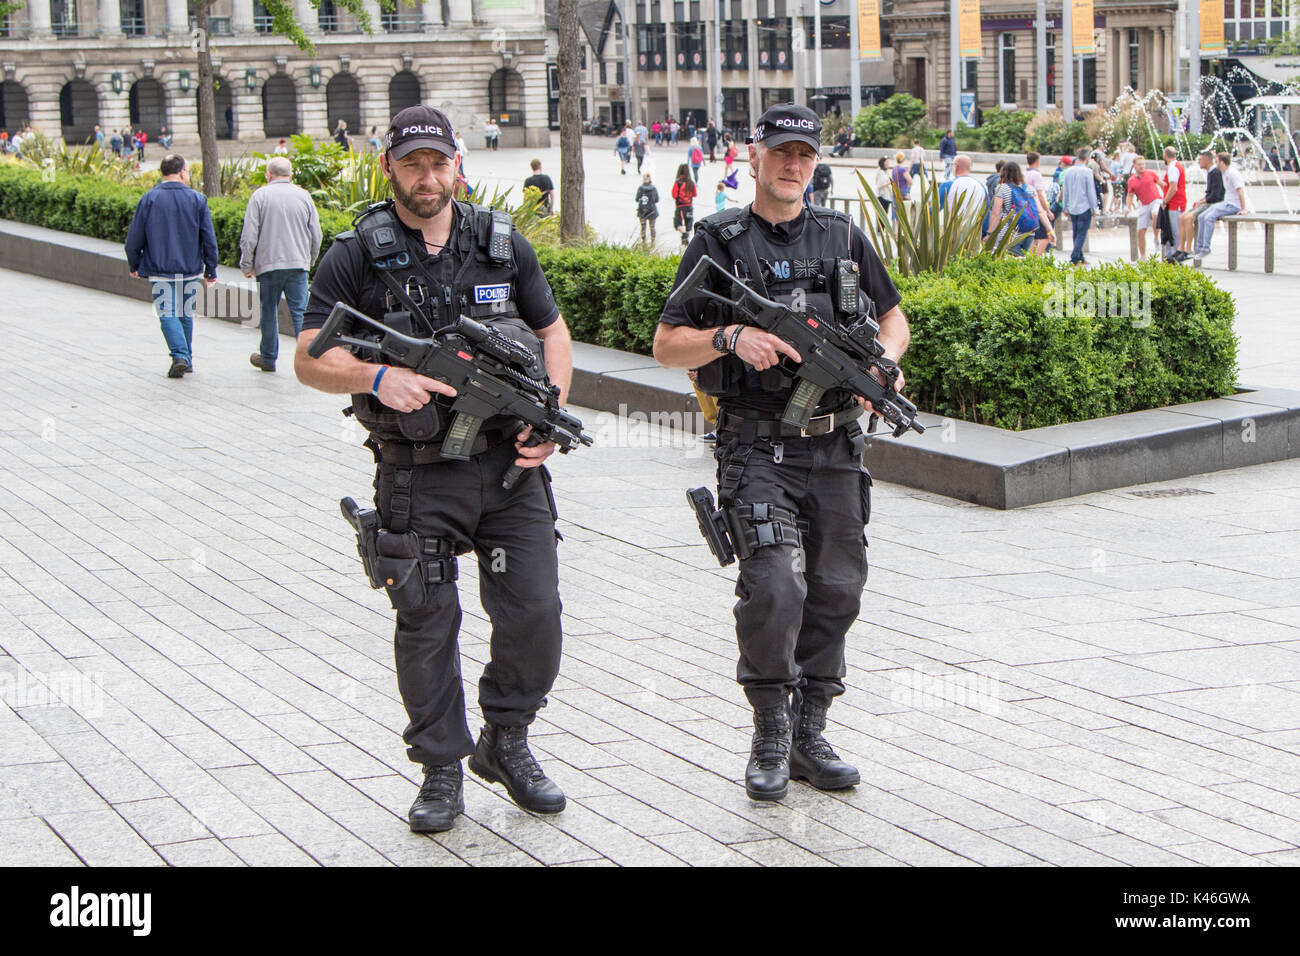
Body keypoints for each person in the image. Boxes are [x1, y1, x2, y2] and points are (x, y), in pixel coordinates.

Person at [294, 106, 575, 833]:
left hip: (510, 469)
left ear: (459, 165)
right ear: (390, 166)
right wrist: (377, 378)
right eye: (413, 163)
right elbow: (308, 357)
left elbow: (552, 333)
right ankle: (442, 770)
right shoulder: (356, 252)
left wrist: (548, 416)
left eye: (438, 162)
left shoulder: (502, 244)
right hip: (416, 471)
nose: (427, 176)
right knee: (426, 622)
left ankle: (505, 741)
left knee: (536, 614)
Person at [653, 103, 910, 803]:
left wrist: (884, 366)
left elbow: (895, 319)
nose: (792, 165)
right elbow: (666, 341)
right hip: (756, 444)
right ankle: (769, 728)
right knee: (774, 584)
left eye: (804, 154)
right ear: (754, 158)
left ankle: (810, 731)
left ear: (815, 163)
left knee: (837, 588)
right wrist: (730, 339)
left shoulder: (842, 235)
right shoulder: (718, 240)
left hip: (835, 449)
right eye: (781, 153)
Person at [123, 154, 218, 378]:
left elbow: (134, 238)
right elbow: (208, 239)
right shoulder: (197, 199)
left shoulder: (149, 199)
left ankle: (180, 356)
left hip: (160, 268)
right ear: (183, 172)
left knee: (167, 313)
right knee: (185, 313)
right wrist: (210, 269)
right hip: (190, 268)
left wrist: (134, 264)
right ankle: (187, 359)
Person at [239, 156, 322, 373]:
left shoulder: (260, 196)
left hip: (268, 265)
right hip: (298, 265)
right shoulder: (304, 196)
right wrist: (309, 260)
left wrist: (247, 264)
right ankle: (308, 360)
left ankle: (268, 357)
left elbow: (249, 235)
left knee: (268, 311)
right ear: (291, 175)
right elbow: (317, 234)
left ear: (268, 174)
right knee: (300, 313)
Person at [1192, 151, 1247, 266]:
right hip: (1226, 203)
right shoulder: (1224, 172)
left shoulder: (1232, 173)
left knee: (1209, 218)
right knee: (1202, 216)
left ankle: (1206, 248)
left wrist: (1243, 208)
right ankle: (1199, 247)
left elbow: (1240, 191)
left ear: (1222, 162)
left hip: (1233, 205)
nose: (1215, 163)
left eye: (1216, 161)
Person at [1172, 150, 1222, 262]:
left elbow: (1216, 196)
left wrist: (1202, 201)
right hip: (1208, 202)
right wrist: (1201, 200)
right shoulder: (1211, 172)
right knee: (1182, 217)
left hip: (1213, 205)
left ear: (1207, 160)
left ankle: (1188, 249)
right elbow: (1210, 193)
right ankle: (1181, 247)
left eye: (1200, 159)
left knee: (1189, 218)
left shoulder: (1216, 173)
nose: (1198, 161)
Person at [988, 160, 1038, 256]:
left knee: (1008, 262)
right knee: (1020, 261)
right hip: (1028, 232)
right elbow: (1039, 211)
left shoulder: (1002, 188)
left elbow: (995, 213)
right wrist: (1050, 231)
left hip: (1009, 233)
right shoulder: (1029, 189)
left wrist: (990, 233)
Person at [1060, 147, 1099, 265]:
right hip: (1084, 207)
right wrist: (1094, 208)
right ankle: (1075, 257)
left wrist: (1065, 207)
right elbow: (1090, 192)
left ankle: (1080, 257)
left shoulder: (1069, 171)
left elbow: (1065, 190)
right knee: (1081, 233)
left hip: (1072, 207)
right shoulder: (1087, 172)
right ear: (1087, 158)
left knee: (1076, 232)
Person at [1125, 154, 1164, 260]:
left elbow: (1162, 184)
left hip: (1156, 200)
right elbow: (1130, 195)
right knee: (1140, 231)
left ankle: (1156, 238)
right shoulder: (1132, 180)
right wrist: (1127, 208)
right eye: (1139, 165)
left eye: (1143, 164)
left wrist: (1167, 198)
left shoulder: (1151, 173)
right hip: (1144, 204)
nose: (1142, 166)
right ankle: (1142, 256)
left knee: (1156, 214)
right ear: (1134, 166)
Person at [1023, 152, 1056, 254]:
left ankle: (1030, 258)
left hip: (1027, 209)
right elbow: (1040, 194)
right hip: (1037, 209)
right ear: (1037, 161)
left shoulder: (1024, 173)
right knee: (1045, 236)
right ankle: (1036, 259)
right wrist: (1047, 210)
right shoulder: (1036, 174)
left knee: (1033, 236)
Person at [1159, 145, 1187, 262]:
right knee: (1172, 231)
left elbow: (1173, 187)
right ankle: (1171, 257)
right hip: (1177, 203)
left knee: (1175, 233)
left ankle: (1175, 258)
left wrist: (1165, 201)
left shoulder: (1173, 167)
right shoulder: (1177, 165)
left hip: (1175, 204)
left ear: (1165, 155)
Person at [939, 154, 987, 219]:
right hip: (973, 227)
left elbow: (936, 207)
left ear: (956, 166)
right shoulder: (981, 186)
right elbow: (986, 211)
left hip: (952, 227)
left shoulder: (948, 184)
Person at [672, 162, 697, 245]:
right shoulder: (691, 182)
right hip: (689, 205)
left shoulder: (677, 182)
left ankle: (683, 234)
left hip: (680, 206)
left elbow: (674, 195)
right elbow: (695, 194)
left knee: (677, 223)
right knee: (689, 222)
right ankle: (687, 235)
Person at [636, 172, 660, 244]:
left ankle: (644, 242)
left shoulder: (640, 188)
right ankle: (653, 242)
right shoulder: (654, 188)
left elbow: (637, 199)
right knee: (652, 227)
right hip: (652, 211)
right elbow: (657, 200)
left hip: (642, 211)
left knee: (643, 227)